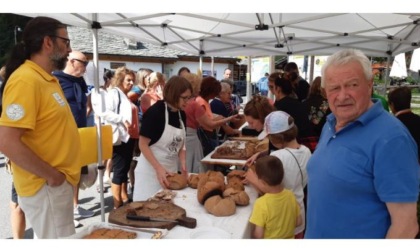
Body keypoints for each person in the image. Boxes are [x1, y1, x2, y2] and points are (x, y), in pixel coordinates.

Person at [305, 49, 420, 238]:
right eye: (334, 88)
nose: (342, 96)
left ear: (369, 85)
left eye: (352, 85)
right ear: (325, 92)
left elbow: (406, 227)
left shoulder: (392, 139)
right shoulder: (331, 123)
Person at [0, 16, 81, 239]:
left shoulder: (46, 78)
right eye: (65, 41)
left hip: (55, 187)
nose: (69, 48)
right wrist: (53, 176)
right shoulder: (26, 80)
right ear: (48, 42)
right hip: (46, 187)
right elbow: (6, 141)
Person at [246, 111, 311, 238]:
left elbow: (269, 189)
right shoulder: (306, 151)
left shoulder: (278, 156)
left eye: (269, 137)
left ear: (278, 138)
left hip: (277, 218)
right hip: (297, 214)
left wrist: (252, 178)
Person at [133, 76, 192, 201]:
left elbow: (181, 145)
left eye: (189, 98)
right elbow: (142, 144)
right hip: (149, 173)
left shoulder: (181, 114)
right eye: (184, 98)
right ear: (173, 94)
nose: (187, 101)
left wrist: (183, 165)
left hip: (170, 173)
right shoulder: (155, 113)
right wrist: (158, 168)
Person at [53, 51, 95, 221]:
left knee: (77, 172)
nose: (86, 67)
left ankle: (75, 206)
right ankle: (64, 211)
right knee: (64, 173)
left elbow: (86, 100)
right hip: (62, 136)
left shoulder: (80, 81)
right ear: (71, 61)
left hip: (80, 132)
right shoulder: (56, 79)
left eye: (86, 63)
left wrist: (86, 109)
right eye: (83, 63)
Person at [183, 73, 238, 173]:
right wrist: (227, 119)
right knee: (196, 166)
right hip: (196, 138)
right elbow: (209, 124)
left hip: (186, 137)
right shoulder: (196, 104)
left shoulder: (191, 102)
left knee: (187, 165)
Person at [101, 66, 137, 209]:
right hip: (120, 138)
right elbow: (105, 113)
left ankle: (123, 197)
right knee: (119, 170)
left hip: (127, 137)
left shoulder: (123, 95)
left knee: (124, 169)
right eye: (128, 80)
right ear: (121, 79)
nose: (131, 83)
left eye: (133, 80)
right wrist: (123, 119)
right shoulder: (114, 93)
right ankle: (117, 205)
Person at [247, 155, 301, 239]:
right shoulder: (291, 195)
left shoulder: (261, 204)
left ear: (262, 182)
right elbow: (298, 222)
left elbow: (259, 235)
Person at [270, 74, 317, 152]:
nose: (271, 90)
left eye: (272, 87)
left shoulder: (279, 106)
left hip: (295, 146)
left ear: (278, 88)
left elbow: (277, 134)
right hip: (308, 144)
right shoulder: (296, 102)